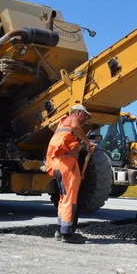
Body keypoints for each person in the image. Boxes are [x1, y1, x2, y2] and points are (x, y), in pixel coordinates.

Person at [44, 104, 96, 243]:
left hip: (61, 164)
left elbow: (73, 151)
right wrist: (87, 142)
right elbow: (76, 127)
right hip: (63, 164)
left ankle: (60, 231)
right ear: (78, 112)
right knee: (69, 199)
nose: (85, 119)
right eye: (84, 115)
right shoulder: (71, 119)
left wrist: (86, 148)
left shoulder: (66, 133)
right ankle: (67, 234)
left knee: (63, 198)